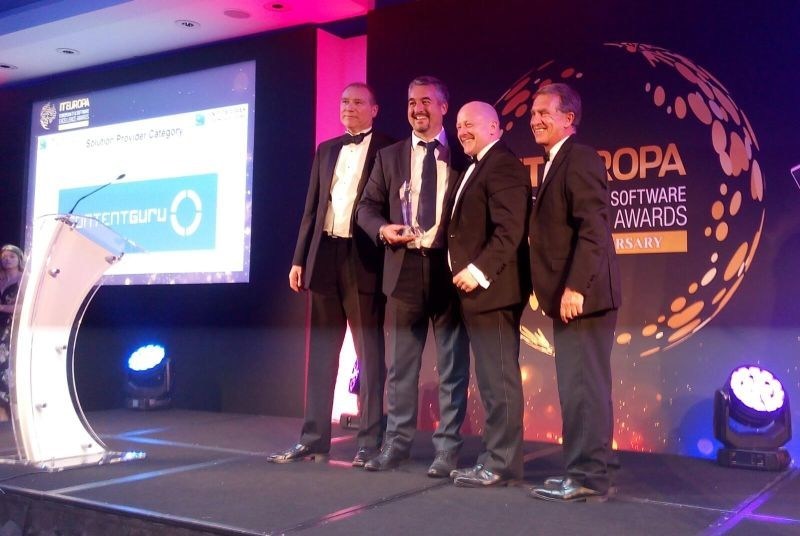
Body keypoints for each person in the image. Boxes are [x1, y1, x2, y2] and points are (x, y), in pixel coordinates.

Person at [267, 83, 393, 467]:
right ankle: (313, 438)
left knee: (369, 354)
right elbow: (311, 209)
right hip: (324, 254)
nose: (349, 107)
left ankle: (370, 441)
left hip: (364, 256)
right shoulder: (326, 150)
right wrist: (298, 258)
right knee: (321, 351)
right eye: (344, 102)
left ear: (374, 109)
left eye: (357, 102)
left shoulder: (389, 148)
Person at [356, 76, 470, 477]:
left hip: (449, 271)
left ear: (444, 106)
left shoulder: (464, 156)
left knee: (452, 366)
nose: (417, 108)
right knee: (402, 367)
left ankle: (447, 451)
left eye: (425, 101)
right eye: (410, 101)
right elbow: (365, 208)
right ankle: (396, 444)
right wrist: (383, 229)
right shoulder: (389, 157)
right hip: (403, 268)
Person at [526, 83, 622, 502]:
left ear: (569, 118)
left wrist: (575, 288)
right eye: (532, 113)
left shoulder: (578, 158)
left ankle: (588, 478)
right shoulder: (554, 161)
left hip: (585, 296)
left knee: (584, 386)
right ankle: (584, 469)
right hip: (572, 297)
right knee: (579, 386)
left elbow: (594, 227)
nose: (535, 119)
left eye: (544, 112)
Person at [446, 102, 530, 487]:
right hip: (477, 294)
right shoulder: (477, 165)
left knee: (499, 381)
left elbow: (510, 230)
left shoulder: (503, 165)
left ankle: (501, 464)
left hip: (493, 291)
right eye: (459, 125)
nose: (462, 130)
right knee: (492, 381)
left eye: (471, 124)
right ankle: (494, 459)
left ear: (494, 127)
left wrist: (477, 272)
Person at [0, 244, 24, 421]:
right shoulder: (0, 279)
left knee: (7, 372)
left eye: (11, 256)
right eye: (4, 256)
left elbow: (27, 307)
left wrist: (2, 307)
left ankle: (13, 419)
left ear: (19, 259)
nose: (7, 259)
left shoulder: (24, 279)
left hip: (11, 330)